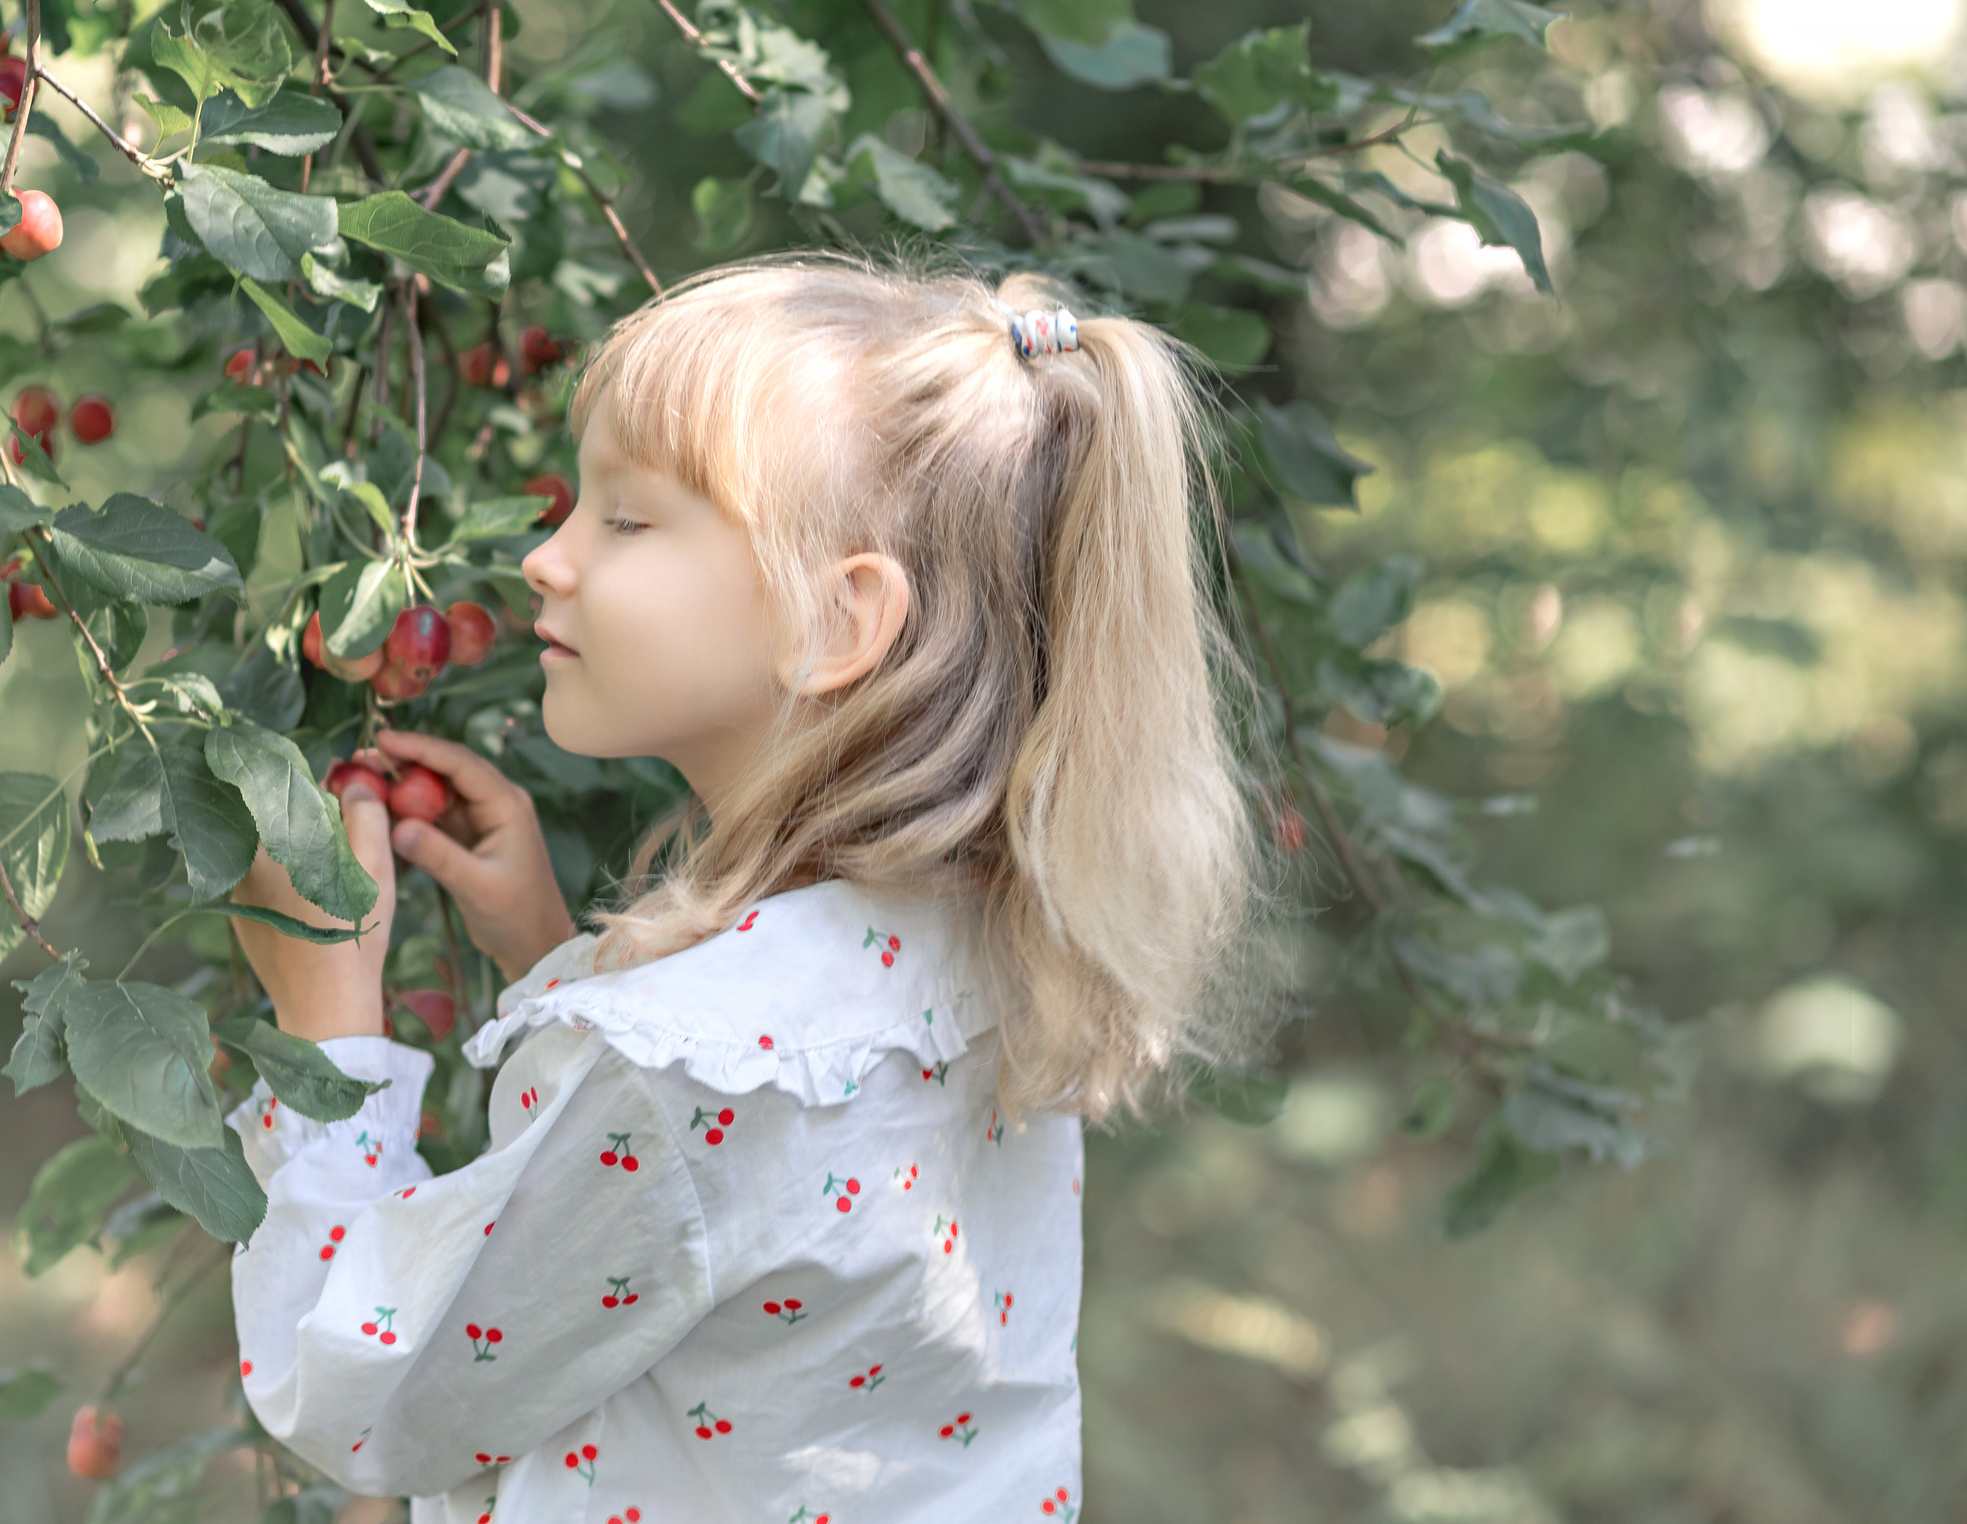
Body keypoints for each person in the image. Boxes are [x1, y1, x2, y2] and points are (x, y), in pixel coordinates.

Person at [224, 249, 1283, 1521]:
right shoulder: (990, 950)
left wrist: (324, 1037)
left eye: (624, 519)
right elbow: (738, 1221)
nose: (547, 561)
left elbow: (374, 1407)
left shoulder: (676, 1070)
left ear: (836, 622)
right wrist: (552, 954)